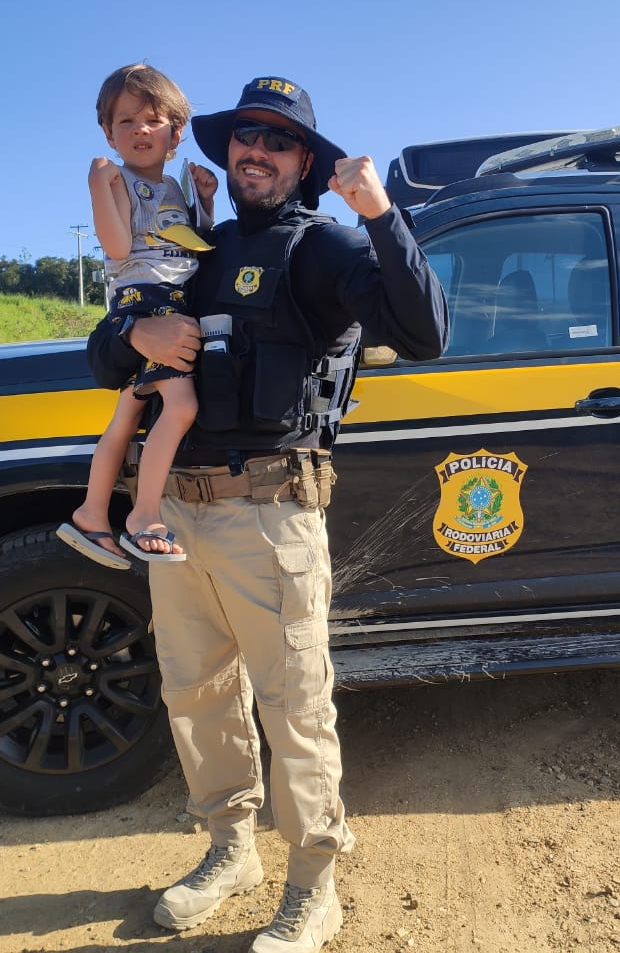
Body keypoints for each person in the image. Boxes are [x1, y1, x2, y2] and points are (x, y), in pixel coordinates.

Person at [87, 76, 448, 951]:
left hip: (268, 513)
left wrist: (381, 216)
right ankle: (230, 848)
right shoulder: (193, 245)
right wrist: (133, 336)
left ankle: (313, 886)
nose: (257, 150)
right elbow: (107, 348)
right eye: (246, 135)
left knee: (294, 709)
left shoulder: (323, 248)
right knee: (196, 694)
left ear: (305, 162)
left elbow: (426, 333)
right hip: (177, 516)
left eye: (279, 140)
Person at [58, 63, 217, 568]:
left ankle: (91, 512)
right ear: (109, 134)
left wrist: (206, 201)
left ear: (176, 132)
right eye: (125, 121)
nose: (139, 129)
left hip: (168, 297)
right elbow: (118, 246)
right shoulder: (119, 180)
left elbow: (194, 245)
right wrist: (98, 187)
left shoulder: (174, 186)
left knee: (127, 414)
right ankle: (145, 514)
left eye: (152, 119)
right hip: (147, 299)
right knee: (181, 405)